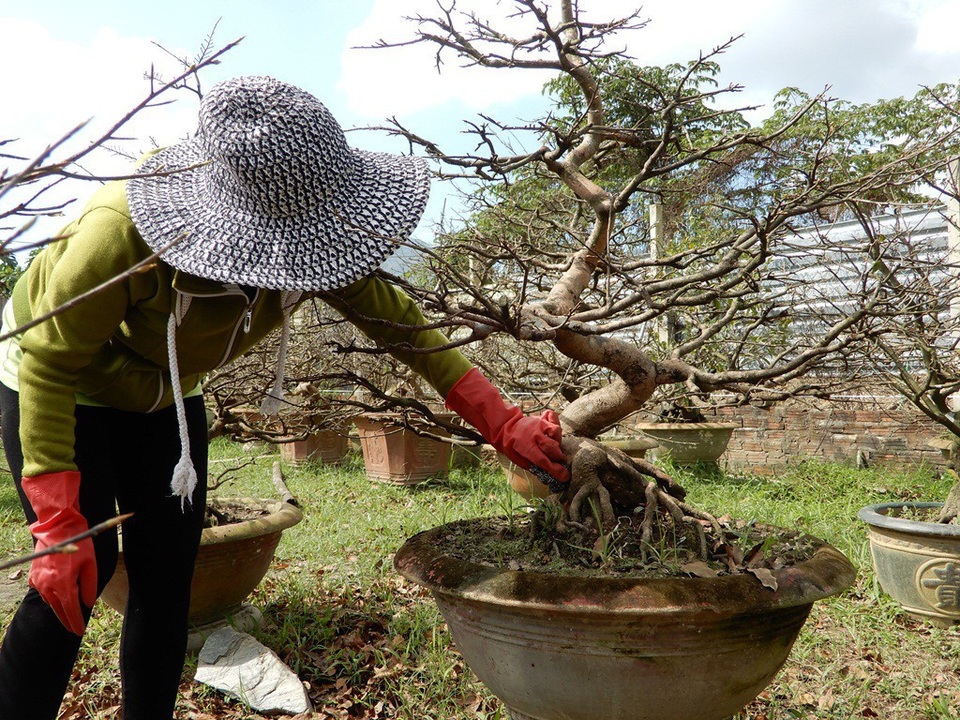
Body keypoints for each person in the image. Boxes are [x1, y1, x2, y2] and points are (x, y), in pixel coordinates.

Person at [0, 75, 569, 720]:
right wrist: (58, 521)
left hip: (165, 396)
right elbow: (48, 357)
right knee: (76, 575)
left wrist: (505, 423)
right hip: (59, 387)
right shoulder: (117, 233)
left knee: (166, 573)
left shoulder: (323, 230)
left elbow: (402, 325)